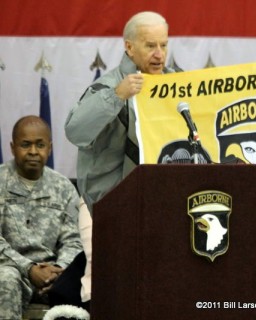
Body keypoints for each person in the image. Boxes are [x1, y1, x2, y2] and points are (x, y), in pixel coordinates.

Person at [62, 11, 176, 309]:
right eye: (151, 45)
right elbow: (75, 131)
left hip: (164, 208)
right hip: (109, 208)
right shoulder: (108, 86)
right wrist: (117, 96)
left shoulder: (177, 85)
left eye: (164, 45)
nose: (159, 54)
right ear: (129, 47)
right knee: (115, 295)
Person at [0, 115, 83, 319]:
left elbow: (74, 240)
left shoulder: (63, 187)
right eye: (25, 145)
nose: (33, 152)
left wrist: (58, 270)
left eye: (40, 144)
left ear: (50, 148)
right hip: (11, 269)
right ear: (12, 147)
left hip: (53, 274)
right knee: (5, 280)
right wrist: (28, 269)